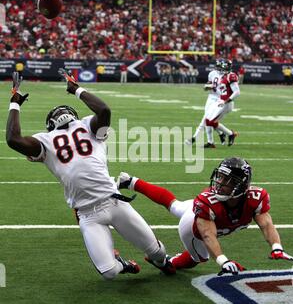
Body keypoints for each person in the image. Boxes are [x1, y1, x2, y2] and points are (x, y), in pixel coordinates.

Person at [6, 71, 175, 280]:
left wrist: (16, 102)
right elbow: (13, 140)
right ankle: (122, 264)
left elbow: (104, 110)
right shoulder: (47, 141)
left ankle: (161, 260)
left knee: (157, 252)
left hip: (114, 202)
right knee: (109, 272)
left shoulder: (86, 126)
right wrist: (75, 90)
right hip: (88, 214)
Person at [117, 157, 293, 276]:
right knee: (200, 258)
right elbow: (208, 235)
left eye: (228, 180)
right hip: (192, 226)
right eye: (221, 177)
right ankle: (166, 262)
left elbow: (267, 224)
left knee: (175, 205)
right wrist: (223, 261)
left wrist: (277, 247)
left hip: (200, 212)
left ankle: (131, 182)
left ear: (242, 186)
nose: (220, 183)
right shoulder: (208, 201)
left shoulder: (255, 198)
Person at [185, 59, 225, 148]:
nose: (218, 68)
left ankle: (194, 138)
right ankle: (218, 136)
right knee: (209, 120)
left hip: (219, 100)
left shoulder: (227, 76)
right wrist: (207, 87)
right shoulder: (212, 73)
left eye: (219, 67)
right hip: (211, 98)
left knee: (206, 119)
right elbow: (208, 85)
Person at [204, 59, 240, 147]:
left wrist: (226, 101)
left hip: (226, 104)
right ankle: (229, 134)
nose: (222, 68)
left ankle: (230, 134)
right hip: (220, 102)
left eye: (224, 66)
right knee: (209, 121)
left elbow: (237, 92)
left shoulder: (231, 76)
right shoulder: (224, 76)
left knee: (210, 122)